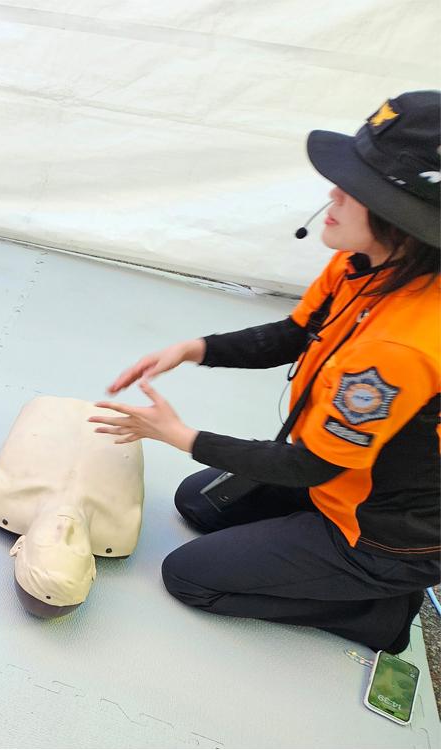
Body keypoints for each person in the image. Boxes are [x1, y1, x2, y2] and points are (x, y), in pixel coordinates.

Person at [91, 90, 440, 653]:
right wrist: (193, 348)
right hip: (336, 478)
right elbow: (293, 333)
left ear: (404, 218)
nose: (332, 192)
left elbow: (308, 464)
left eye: (354, 188)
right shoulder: (364, 262)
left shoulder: (406, 343)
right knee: (196, 503)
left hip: (379, 534)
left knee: (188, 577)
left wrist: (178, 434)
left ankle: (380, 610)